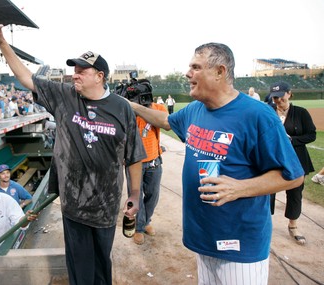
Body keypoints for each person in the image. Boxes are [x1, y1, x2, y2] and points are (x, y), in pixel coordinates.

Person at [0, 10, 145, 285]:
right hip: (73, 205)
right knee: (79, 273)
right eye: (74, 70)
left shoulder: (121, 108)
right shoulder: (64, 96)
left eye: (82, 71)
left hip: (105, 206)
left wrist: (136, 193)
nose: (75, 75)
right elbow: (27, 78)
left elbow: (134, 156)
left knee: (101, 270)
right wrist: (2, 44)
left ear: (100, 76)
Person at [128, 42, 304, 284]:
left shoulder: (257, 115)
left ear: (220, 72)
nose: (187, 73)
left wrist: (239, 188)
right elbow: (166, 120)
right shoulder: (196, 109)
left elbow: (294, 175)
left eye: (195, 67)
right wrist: (132, 106)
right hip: (204, 239)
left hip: (239, 248)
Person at [269, 81, 316, 245]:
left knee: (295, 192)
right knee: (268, 192)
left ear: (289, 93)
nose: (278, 100)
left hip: (296, 159)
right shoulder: (269, 111)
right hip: (273, 160)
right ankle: (265, 224)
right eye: (274, 97)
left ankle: (293, 225)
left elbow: (311, 135)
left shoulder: (301, 113)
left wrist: (292, 140)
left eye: (280, 96)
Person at [125, 79, 168, 245]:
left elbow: (166, 123)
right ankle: (138, 228)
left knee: (152, 196)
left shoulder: (158, 109)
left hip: (154, 162)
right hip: (134, 163)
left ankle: (146, 221)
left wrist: (140, 108)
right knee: (136, 196)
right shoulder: (129, 112)